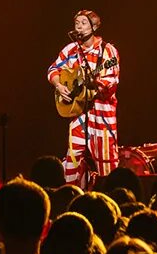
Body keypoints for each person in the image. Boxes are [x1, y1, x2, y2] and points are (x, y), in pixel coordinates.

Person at [48, 10, 121, 187]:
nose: (79, 26)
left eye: (83, 23)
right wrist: (59, 85)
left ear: (94, 26)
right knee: (73, 159)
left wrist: (93, 85)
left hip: (102, 115)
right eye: (76, 23)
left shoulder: (107, 51)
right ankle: (71, 194)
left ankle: (109, 197)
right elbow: (53, 69)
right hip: (79, 114)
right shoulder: (70, 50)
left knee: (106, 160)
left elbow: (111, 79)